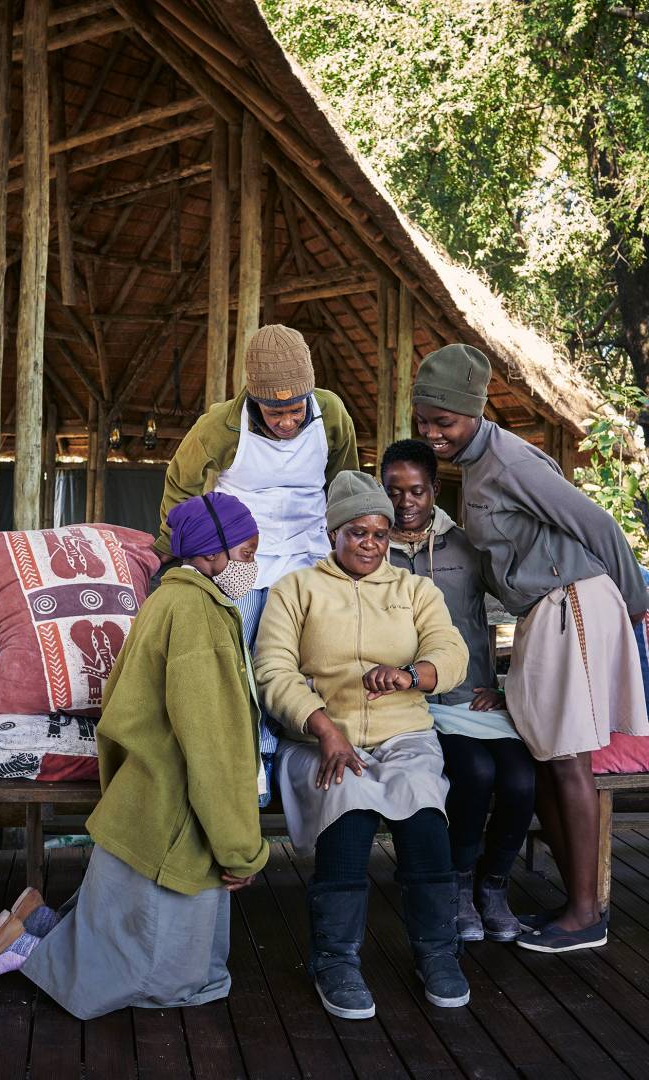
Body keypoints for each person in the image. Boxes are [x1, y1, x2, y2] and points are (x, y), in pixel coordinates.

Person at [0, 493, 269, 1016]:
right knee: (166, 984)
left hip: (142, 799)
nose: (252, 567)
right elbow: (215, 749)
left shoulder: (166, 602)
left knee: (164, 955)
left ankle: (42, 923)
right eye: (247, 554)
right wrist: (240, 849)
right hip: (176, 817)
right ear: (211, 554)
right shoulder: (200, 619)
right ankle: (32, 950)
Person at [412, 343, 649, 953]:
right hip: (545, 614)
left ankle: (586, 916)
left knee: (567, 758)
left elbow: (596, 523)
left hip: (573, 603)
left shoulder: (511, 462)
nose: (432, 433)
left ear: (475, 411)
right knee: (544, 753)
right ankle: (578, 904)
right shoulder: (478, 466)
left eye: (445, 422)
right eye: (424, 422)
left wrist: (635, 605)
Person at [254, 470, 470, 1018]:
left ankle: (438, 952)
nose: (370, 544)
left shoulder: (416, 591)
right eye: (357, 533)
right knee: (346, 814)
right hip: (320, 738)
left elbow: (451, 652)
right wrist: (322, 726)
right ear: (333, 535)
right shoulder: (296, 590)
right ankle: (336, 960)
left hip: (405, 735)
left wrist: (412, 675)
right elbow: (272, 668)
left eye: (379, 533)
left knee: (424, 815)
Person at [154, 324, 359, 800]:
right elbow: (180, 487)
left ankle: (307, 765)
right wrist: (181, 551)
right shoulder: (220, 427)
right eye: (275, 411)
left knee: (307, 664)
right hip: (242, 560)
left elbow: (345, 480)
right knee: (242, 665)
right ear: (252, 398)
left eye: (294, 410)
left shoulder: (331, 414)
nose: (287, 421)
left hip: (310, 556)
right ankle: (251, 771)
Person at [381, 438, 536, 942]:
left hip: (474, 697)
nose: (405, 503)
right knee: (474, 771)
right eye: (394, 491)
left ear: (435, 491)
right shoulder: (370, 548)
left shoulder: (467, 547)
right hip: (412, 705)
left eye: (417, 492)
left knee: (519, 780)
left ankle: (492, 888)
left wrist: (510, 686)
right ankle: (457, 886)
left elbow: (529, 609)